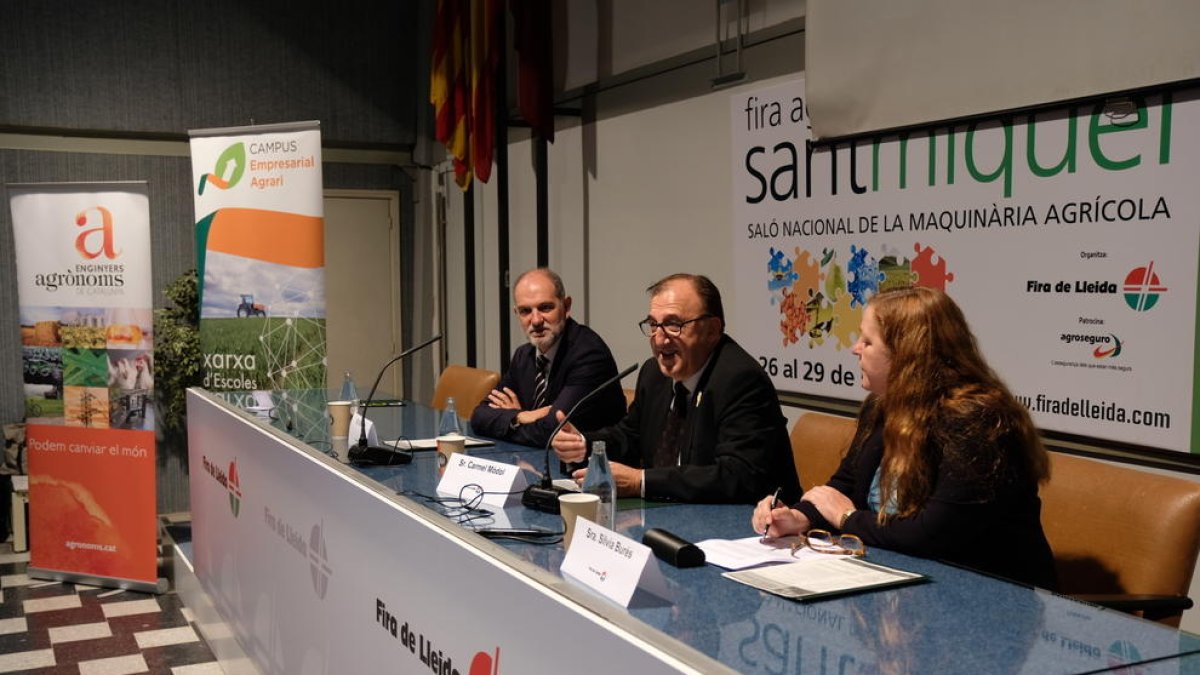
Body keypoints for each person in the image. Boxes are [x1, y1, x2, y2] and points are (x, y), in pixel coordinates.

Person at [752, 286, 1056, 588]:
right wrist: (798, 517)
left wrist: (845, 518)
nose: (855, 348)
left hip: (987, 594)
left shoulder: (976, 421)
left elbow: (930, 533)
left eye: (868, 341)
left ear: (906, 355)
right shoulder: (883, 404)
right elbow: (845, 485)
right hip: (905, 575)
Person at [553, 273, 800, 504]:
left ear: (712, 330)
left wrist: (641, 481)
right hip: (672, 513)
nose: (659, 339)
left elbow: (737, 476)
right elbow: (630, 435)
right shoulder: (653, 374)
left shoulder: (739, 379)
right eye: (653, 325)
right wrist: (585, 444)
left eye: (673, 325)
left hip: (751, 530)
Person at [470, 268, 626, 448]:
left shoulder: (588, 353)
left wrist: (511, 418)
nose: (535, 320)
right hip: (536, 460)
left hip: (592, 468)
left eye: (545, 308)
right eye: (525, 311)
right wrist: (521, 415)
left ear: (566, 306)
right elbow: (479, 416)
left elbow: (551, 432)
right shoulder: (523, 356)